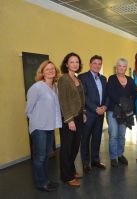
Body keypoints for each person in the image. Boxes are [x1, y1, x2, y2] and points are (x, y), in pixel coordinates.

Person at [26, 60, 62, 192]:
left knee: (46, 155)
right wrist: (37, 121)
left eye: (52, 69)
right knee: (40, 157)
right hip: (39, 127)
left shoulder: (54, 87)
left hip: (50, 126)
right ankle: (41, 183)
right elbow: (28, 109)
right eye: (47, 69)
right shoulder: (37, 87)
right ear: (42, 72)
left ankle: (46, 180)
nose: (50, 71)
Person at [58, 52, 86, 187]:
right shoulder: (64, 79)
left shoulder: (77, 78)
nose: (75, 64)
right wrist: (69, 120)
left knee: (75, 147)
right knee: (67, 148)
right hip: (69, 118)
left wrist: (84, 112)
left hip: (79, 116)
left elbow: (81, 99)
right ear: (66, 64)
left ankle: (71, 170)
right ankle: (66, 176)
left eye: (77, 61)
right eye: (72, 61)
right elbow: (63, 101)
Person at [79, 55, 108, 174]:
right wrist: (95, 108)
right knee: (85, 138)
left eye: (99, 63)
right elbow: (83, 96)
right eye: (95, 63)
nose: (97, 65)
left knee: (97, 138)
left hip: (101, 113)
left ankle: (95, 160)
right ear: (90, 64)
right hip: (89, 113)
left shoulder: (103, 79)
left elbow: (107, 95)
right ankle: (86, 163)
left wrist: (105, 107)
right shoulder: (82, 77)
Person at [106, 58, 136, 168]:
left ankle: (120, 154)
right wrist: (124, 103)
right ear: (116, 67)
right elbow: (111, 94)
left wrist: (128, 105)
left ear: (126, 68)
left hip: (126, 112)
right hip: (113, 111)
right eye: (119, 66)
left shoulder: (130, 80)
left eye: (124, 66)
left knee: (122, 135)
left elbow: (134, 95)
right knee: (113, 135)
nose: (121, 68)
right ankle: (113, 157)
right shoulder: (112, 79)